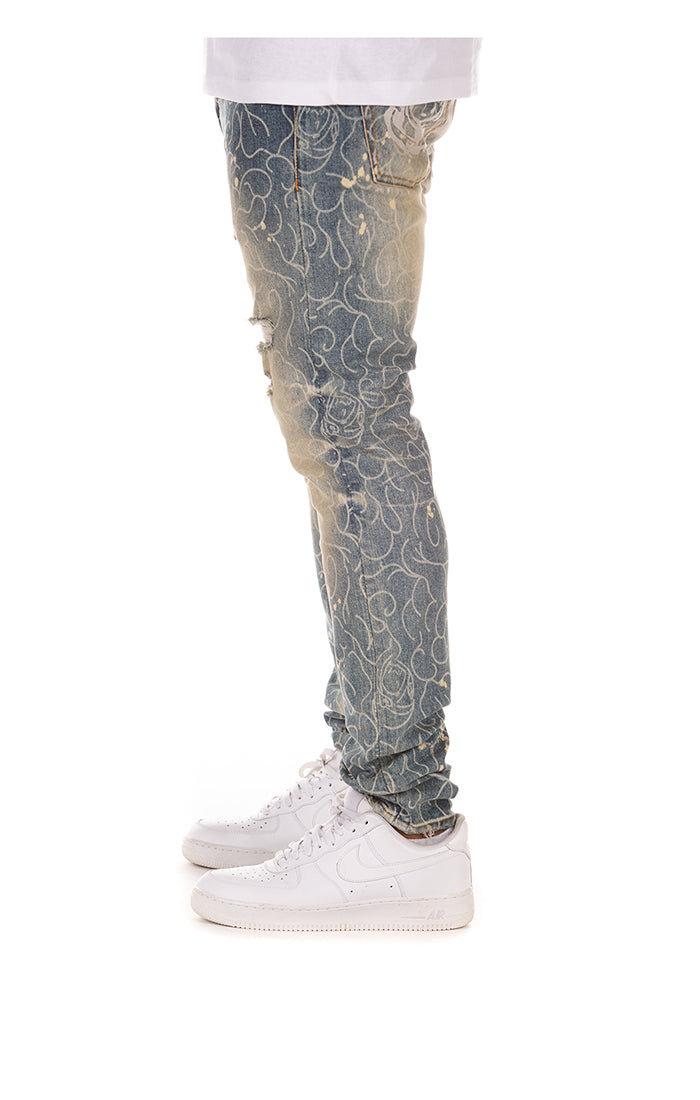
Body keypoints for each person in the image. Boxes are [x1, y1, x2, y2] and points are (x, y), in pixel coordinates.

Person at [183, 36, 482, 931]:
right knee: (338, 429)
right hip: (322, 89)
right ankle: (368, 767)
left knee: (351, 424)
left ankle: (403, 815)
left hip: (326, 93)